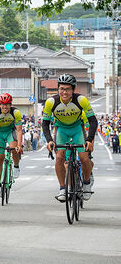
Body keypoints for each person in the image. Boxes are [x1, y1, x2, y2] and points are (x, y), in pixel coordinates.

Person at [42, 74, 98, 202]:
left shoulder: (81, 100)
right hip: (61, 130)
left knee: (84, 158)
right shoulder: (51, 102)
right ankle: (62, 188)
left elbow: (93, 121)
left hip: (77, 129)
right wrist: (49, 140)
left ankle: (86, 182)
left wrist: (89, 139)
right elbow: (45, 124)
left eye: (67, 89)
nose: (64, 92)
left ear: (73, 89)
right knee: (60, 157)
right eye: (61, 88)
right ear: (58, 89)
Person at [0, 93, 22, 181]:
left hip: (9, 132)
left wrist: (19, 145)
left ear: (10, 105)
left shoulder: (16, 112)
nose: (5, 107)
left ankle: (16, 166)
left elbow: (19, 130)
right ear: (0, 105)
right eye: (3, 104)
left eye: (7, 104)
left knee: (14, 148)